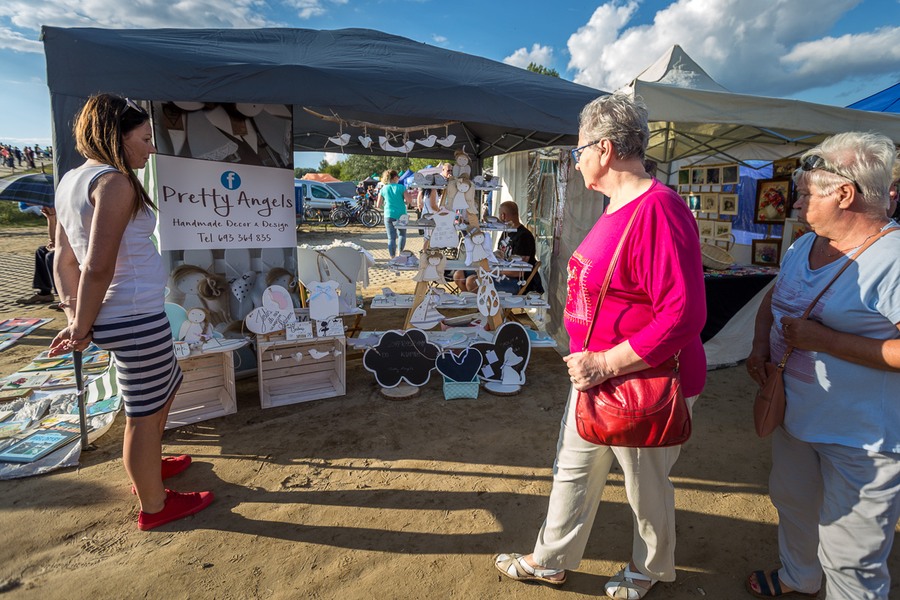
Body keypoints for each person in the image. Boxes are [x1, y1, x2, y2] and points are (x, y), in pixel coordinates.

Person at [493, 91, 706, 599]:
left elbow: (684, 314)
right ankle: (550, 560)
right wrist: (593, 365)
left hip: (642, 379)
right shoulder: (621, 207)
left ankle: (649, 570)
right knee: (573, 471)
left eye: (579, 150)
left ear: (605, 149)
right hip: (595, 376)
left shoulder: (659, 210)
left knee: (645, 488)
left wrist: (607, 361)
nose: (577, 159)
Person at [745, 132, 900, 599]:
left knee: (851, 557)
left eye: (806, 191)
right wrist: (758, 348)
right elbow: (776, 295)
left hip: (862, 441)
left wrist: (826, 340)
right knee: (793, 505)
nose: (794, 201)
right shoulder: (805, 244)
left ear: (844, 194)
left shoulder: (892, 258)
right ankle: (799, 577)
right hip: (797, 420)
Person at [49, 94, 214, 531]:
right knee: (144, 414)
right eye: (144, 138)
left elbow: (62, 259)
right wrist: (79, 326)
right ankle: (155, 505)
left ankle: (149, 469)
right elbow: (96, 265)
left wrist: (74, 315)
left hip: (127, 314)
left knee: (165, 387)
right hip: (132, 315)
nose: (151, 148)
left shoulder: (70, 181)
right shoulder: (115, 183)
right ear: (116, 137)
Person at [453, 201, 542, 294]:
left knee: (472, 281)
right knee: (459, 275)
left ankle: (484, 306)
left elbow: (518, 272)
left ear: (503, 216)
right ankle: (475, 305)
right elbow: (501, 253)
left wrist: (492, 270)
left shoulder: (524, 236)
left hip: (516, 282)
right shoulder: (507, 231)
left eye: (499, 215)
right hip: (500, 273)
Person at [16, 206, 57, 306]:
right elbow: (53, 240)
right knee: (42, 251)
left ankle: (67, 296)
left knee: (51, 256)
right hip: (66, 243)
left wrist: (59, 246)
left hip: (78, 245)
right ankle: (44, 293)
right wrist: (51, 217)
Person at [375, 169, 407, 258]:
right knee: (402, 235)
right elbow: (409, 200)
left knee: (391, 238)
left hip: (389, 214)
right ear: (395, 177)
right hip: (402, 215)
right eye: (398, 176)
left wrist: (385, 207)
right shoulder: (401, 187)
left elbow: (378, 205)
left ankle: (392, 257)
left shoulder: (383, 189)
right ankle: (400, 254)